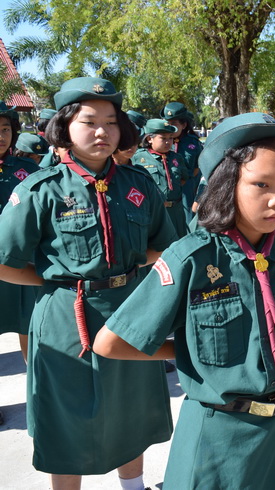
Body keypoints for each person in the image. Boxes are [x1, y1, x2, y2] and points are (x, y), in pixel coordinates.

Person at [94, 112, 275, 489]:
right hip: (217, 437)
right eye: (261, 184)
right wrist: (186, 352)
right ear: (225, 183)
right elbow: (111, 343)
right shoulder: (192, 257)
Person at [0, 77, 175, 489]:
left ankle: (133, 486)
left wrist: (125, 270)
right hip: (67, 319)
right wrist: (56, 280)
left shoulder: (138, 184)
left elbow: (162, 246)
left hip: (130, 311)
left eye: (111, 122)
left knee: (130, 410)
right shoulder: (41, 189)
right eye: (89, 122)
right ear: (64, 127)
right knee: (68, 419)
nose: (102, 132)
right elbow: (4, 262)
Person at [0, 103, 41, 428]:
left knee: (28, 328)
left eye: (5, 130)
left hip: (20, 264)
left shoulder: (24, 169)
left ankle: (37, 395)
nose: (1, 136)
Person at [134, 119, 189, 238]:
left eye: (171, 138)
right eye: (163, 138)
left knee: (179, 242)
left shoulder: (176, 157)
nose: (168, 142)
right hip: (154, 211)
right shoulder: (138, 158)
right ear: (150, 139)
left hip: (176, 211)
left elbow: (183, 179)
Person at [161, 102, 203, 222]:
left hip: (186, 190)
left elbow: (197, 169)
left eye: (174, 123)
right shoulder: (160, 141)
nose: (170, 127)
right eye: (167, 123)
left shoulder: (193, 143)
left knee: (187, 221)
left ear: (183, 125)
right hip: (165, 188)